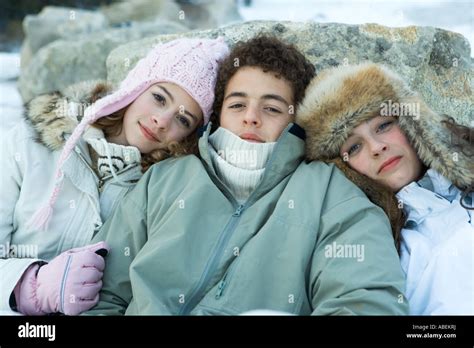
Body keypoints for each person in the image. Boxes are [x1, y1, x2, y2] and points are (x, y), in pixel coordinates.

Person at [85, 36, 408, 316]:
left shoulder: (331, 195)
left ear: (296, 121)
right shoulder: (162, 181)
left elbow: (365, 300)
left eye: (272, 108)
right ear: (219, 114)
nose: (251, 118)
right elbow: (101, 293)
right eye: (238, 105)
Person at [0, 37, 229, 315]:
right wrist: (29, 288)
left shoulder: (159, 193)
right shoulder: (30, 142)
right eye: (158, 98)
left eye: (183, 119)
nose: (162, 120)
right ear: (134, 88)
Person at [296, 62, 474, 315]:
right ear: (342, 168)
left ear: (413, 123)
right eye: (354, 147)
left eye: (383, 126)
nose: (376, 147)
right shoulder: (381, 251)